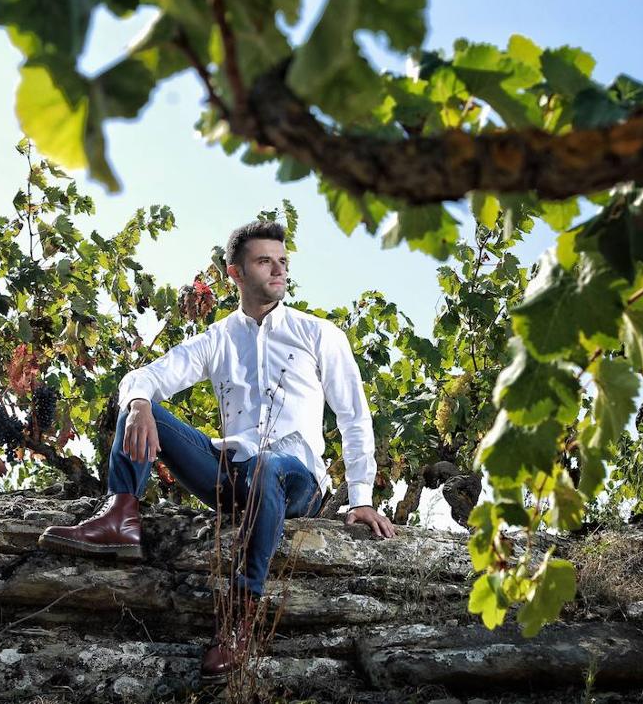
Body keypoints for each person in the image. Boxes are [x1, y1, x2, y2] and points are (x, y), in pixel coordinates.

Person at [37, 220, 395, 681]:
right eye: (265, 261)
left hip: (294, 482)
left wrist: (361, 497)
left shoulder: (319, 334)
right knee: (137, 405)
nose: (278, 270)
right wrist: (141, 402)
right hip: (229, 476)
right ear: (235, 273)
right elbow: (144, 376)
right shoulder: (219, 338)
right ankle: (120, 513)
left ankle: (238, 619)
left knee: (268, 465)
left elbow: (354, 417)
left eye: (282, 261)